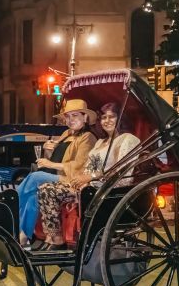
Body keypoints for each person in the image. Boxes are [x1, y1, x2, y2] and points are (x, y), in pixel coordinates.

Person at [37, 101, 141, 248]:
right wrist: (80, 179)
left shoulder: (128, 139)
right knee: (44, 187)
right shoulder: (100, 142)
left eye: (112, 117)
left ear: (120, 118)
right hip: (87, 188)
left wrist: (91, 177)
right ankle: (53, 236)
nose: (107, 121)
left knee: (47, 189)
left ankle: (56, 239)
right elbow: (88, 168)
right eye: (104, 117)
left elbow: (123, 171)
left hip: (107, 190)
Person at [15, 99, 98, 247]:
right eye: (68, 116)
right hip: (55, 175)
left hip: (71, 179)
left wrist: (50, 163)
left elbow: (79, 166)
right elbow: (54, 161)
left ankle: (9, 205)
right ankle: (23, 235)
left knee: (35, 177)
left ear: (85, 118)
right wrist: (48, 152)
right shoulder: (66, 134)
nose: (70, 120)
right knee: (33, 196)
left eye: (75, 115)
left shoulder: (88, 137)